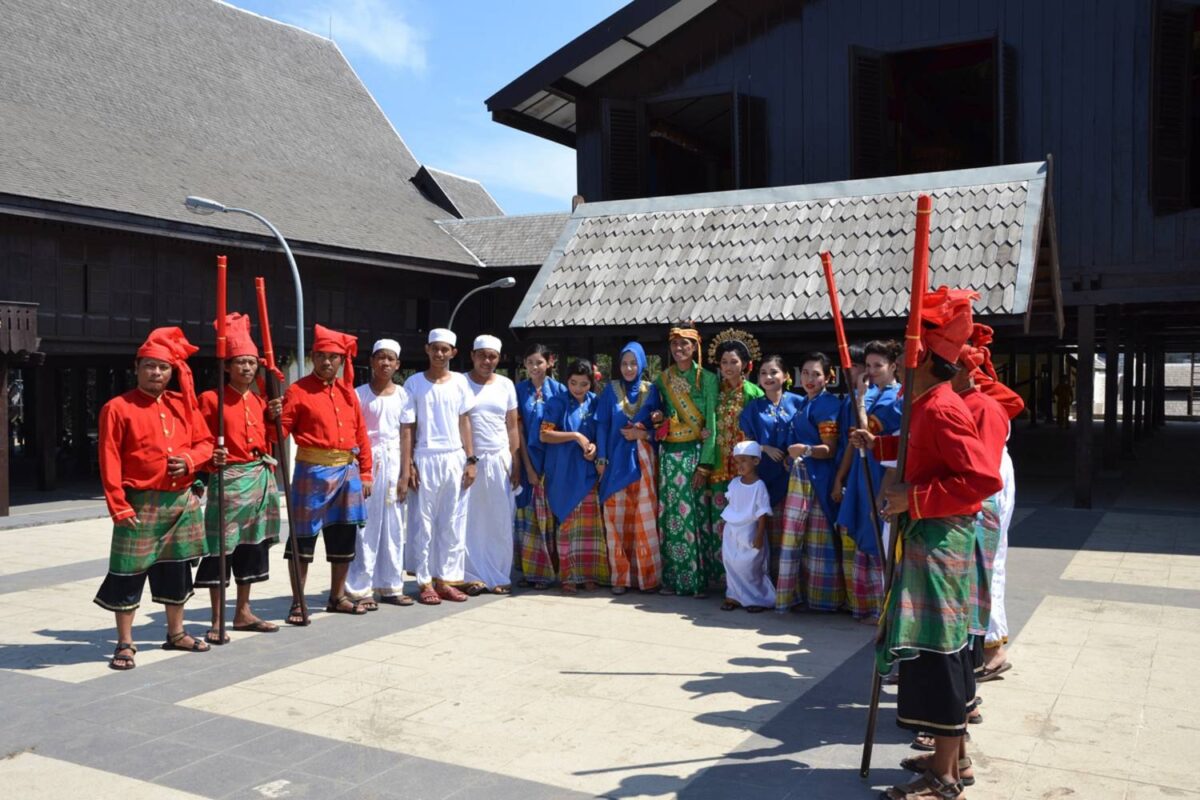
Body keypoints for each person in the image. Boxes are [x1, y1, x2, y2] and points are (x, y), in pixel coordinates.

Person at [852, 287, 1003, 800]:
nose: (897, 368)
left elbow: (981, 478)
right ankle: (951, 758)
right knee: (942, 650)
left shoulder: (939, 407)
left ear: (926, 366)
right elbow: (922, 450)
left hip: (939, 543)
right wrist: (882, 445)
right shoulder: (927, 406)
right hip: (930, 541)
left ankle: (942, 777)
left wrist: (911, 501)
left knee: (940, 653)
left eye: (907, 358)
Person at [94, 327, 214, 669]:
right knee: (127, 574)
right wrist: (118, 505)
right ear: (137, 367)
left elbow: (205, 443)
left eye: (162, 367)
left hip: (179, 503)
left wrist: (190, 461)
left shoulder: (184, 405)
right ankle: (125, 642)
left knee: (176, 571)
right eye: (149, 366)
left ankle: (176, 633)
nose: (156, 372)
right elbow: (109, 459)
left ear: (171, 371)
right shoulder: (116, 408)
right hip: (138, 504)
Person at [195, 313, 282, 644]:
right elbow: (200, 440)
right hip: (227, 482)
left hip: (258, 479)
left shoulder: (261, 400)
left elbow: (273, 437)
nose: (246, 368)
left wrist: (276, 417)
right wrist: (207, 462)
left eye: (251, 362)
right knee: (221, 551)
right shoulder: (211, 399)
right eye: (240, 362)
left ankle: (243, 611)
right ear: (227, 366)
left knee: (251, 547)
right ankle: (217, 619)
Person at [279, 324, 372, 621]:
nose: (327, 362)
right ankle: (298, 601)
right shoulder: (297, 390)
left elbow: (361, 435)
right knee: (302, 540)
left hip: (347, 472)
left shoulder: (348, 393)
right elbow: (280, 431)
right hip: (312, 473)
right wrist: (273, 417)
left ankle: (337, 596)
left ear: (341, 360)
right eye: (321, 356)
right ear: (313, 357)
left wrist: (366, 473)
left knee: (344, 537)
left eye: (333, 357)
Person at [962, 324, 1024, 680]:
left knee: (986, 564)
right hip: (988, 478)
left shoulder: (984, 404)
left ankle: (992, 649)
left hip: (988, 485)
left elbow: (979, 466)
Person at [402, 328, 478, 605]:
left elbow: (464, 421)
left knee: (452, 522)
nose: (439, 353)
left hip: (454, 458)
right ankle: (424, 581)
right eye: (435, 348)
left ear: (453, 353)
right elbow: (408, 427)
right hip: (425, 456)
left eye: (445, 349)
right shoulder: (413, 383)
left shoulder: (460, 382)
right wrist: (409, 463)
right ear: (427, 350)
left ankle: (446, 579)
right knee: (423, 523)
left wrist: (471, 460)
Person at [833, 339, 902, 623]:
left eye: (878, 365)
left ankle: (885, 608)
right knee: (864, 531)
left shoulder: (895, 399)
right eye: (869, 365)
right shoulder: (871, 393)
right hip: (863, 473)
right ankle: (866, 605)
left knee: (880, 535)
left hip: (883, 471)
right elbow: (854, 441)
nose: (872, 371)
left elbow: (866, 433)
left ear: (893, 366)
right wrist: (842, 476)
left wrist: (861, 399)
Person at [651, 324, 719, 597]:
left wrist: (705, 463)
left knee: (694, 516)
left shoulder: (708, 379)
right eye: (675, 345)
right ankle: (674, 579)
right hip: (670, 454)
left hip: (694, 454)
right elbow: (658, 411)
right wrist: (657, 417)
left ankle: (697, 581)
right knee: (671, 518)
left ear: (695, 347)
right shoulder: (662, 379)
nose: (679, 350)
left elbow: (711, 422)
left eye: (685, 344)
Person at [346, 339, 412, 609]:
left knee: (395, 526)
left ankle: (391, 585)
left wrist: (406, 472)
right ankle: (361, 588)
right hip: (367, 464)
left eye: (390, 359)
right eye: (380, 357)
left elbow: (407, 433)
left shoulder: (403, 395)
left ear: (397, 364)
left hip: (395, 462)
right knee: (366, 528)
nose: (385, 363)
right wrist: (360, 471)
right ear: (372, 361)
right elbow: (352, 434)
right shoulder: (358, 394)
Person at [778, 353, 842, 612]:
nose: (809, 379)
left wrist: (804, 450)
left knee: (818, 537)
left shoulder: (827, 405)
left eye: (816, 374)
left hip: (817, 478)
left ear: (828, 377)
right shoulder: (805, 403)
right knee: (799, 539)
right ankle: (802, 594)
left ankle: (823, 599)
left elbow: (830, 448)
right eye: (805, 373)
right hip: (801, 475)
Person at [596, 342, 661, 594]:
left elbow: (662, 428)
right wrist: (601, 459)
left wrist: (643, 435)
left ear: (642, 364)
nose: (629, 368)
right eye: (624, 363)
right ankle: (620, 578)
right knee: (616, 519)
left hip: (643, 461)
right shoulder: (610, 391)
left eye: (634, 363)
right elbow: (601, 426)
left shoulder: (653, 390)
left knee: (643, 519)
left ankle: (646, 578)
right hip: (614, 463)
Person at [541, 359, 610, 592]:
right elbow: (545, 435)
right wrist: (576, 436)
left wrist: (595, 449)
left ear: (591, 383)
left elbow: (601, 433)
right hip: (562, 470)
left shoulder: (595, 402)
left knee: (589, 525)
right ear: (566, 381)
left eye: (584, 384)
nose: (578, 388)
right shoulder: (557, 402)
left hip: (586, 471)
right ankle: (569, 575)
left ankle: (588, 574)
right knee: (568, 524)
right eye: (573, 383)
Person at [463, 335, 520, 595]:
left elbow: (512, 426)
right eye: (482, 355)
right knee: (471, 520)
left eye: (492, 357)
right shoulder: (460, 383)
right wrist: (469, 459)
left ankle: (498, 575)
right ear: (473, 355)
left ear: (499, 358)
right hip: (470, 461)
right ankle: (471, 575)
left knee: (499, 519)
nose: (487, 361)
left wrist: (515, 461)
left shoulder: (506, 385)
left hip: (500, 460)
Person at [738, 355, 801, 580]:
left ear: (785, 376)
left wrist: (791, 453)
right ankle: (765, 583)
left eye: (774, 372)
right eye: (763, 373)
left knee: (791, 530)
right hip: (764, 473)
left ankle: (790, 583)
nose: (768, 377)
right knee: (767, 529)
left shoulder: (798, 402)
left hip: (793, 473)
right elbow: (746, 440)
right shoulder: (753, 408)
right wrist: (764, 447)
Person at [706, 329, 764, 568]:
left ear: (745, 365)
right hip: (719, 463)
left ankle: (746, 571)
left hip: (744, 465)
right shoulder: (714, 391)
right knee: (722, 519)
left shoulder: (754, 393)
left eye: (734, 361)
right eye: (724, 362)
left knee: (745, 521)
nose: (728, 366)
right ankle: (722, 573)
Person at [514, 344, 565, 589]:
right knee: (528, 517)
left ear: (550, 362)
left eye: (539, 362)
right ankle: (531, 571)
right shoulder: (517, 391)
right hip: (527, 464)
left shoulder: (560, 391)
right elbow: (519, 432)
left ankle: (551, 571)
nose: (535, 367)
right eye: (530, 362)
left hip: (553, 463)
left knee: (551, 518)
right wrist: (529, 468)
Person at [719, 440, 775, 613]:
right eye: (737, 461)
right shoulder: (734, 483)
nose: (739, 465)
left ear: (755, 461)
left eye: (744, 460)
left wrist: (759, 535)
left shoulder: (759, 486)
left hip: (750, 531)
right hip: (732, 531)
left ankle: (758, 599)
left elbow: (762, 512)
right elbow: (732, 505)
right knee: (731, 563)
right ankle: (733, 595)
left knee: (749, 566)